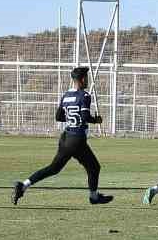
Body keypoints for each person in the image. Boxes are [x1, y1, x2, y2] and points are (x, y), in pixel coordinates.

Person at [13, 66, 113, 206]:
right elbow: (84, 116)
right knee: (94, 167)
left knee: (53, 168)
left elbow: (59, 117)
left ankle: (23, 185)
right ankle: (94, 197)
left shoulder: (66, 95)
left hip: (66, 138)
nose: (87, 81)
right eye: (86, 78)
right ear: (83, 79)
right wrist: (96, 120)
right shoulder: (84, 96)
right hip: (77, 140)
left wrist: (72, 117)